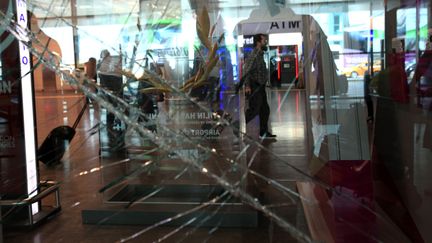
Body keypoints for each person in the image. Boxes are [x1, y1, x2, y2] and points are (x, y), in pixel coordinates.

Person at [242, 33, 276, 139]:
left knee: (264, 109)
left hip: (260, 86)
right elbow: (246, 70)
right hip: (254, 86)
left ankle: (263, 132)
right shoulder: (254, 55)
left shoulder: (260, 54)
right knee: (254, 110)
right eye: (264, 41)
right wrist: (247, 86)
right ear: (258, 42)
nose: (265, 42)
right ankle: (244, 130)